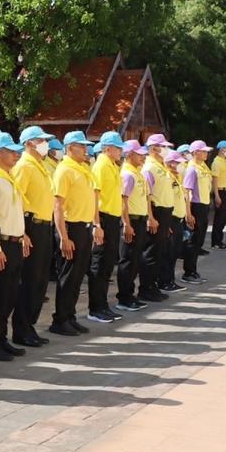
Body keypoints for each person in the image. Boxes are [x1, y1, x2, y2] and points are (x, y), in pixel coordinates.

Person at [0, 131, 29, 361]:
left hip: (15, 241)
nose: (16, 155)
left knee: (9, 295)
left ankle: (1, 339)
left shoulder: (8, 176)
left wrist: (23, 234)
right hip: (2, 244)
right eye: (11, 152)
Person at [50, 131, 98, 337]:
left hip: (84, 227)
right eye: (81, 146)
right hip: (71, 227)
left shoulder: (82, 168)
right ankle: (60, 319)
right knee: (68, 276)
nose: (85, 149)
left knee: (77, 276)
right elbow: (58, 206)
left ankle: (70, 316)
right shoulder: (64, 170)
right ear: (70, 148)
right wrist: (63, 236)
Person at [12, 126, 55, 348]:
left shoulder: (40, 165)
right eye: (41, 140)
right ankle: (22, 329)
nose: (45, 144)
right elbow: (17, 201)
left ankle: (30, 325)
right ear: (29, 143)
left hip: (44, 226)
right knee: (30, 280)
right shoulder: (24, 166)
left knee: (40, 280)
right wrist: (24, 232)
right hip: (32, 226)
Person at [87, 132, 125, 323]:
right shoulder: (101, 166)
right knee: (99, 264)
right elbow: (94, 196)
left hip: (113, 219)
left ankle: (103, 305)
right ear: (108, 149)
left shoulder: (112, 165)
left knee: (108, 264)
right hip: (103, 218)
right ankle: (95, 308)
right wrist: (97, 224)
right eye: (118, 148)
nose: (120, 152)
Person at [114, 140, 154, 313]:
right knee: (128, 260)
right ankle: (124, 298)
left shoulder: (137, 173)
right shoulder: (128, 174)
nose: (143, 157)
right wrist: (126, 224)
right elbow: (123, 201)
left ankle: (130, 295)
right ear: (129, 154)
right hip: (131, 220)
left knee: (135, 259)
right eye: (139, 154)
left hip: (140, 220)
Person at [139, 134, 174, 305]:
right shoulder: (149, 168)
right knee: (151, 253)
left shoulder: (161, 166)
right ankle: (146, 289)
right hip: (156, 212)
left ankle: (153, 286)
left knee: (159, 251)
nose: (166, 150)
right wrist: (150, 217)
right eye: (163, 147)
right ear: (154, 148)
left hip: (165, 212)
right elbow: (148, 196)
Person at [181, 140, 213, 285]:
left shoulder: (203, 167)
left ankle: (193, 270)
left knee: (199, 240)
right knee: (193, 241)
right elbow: (187, 192)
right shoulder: (192, 169)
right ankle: (188, 272)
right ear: (195, 152)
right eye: (203, 151)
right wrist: (188, 213)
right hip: (195, 206)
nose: (206, 153)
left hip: (204, 206)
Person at [163, 150, 190, 292]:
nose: (180, 165)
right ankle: (165, 281)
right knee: (169, 253)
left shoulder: (176, 177)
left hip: (179, 219)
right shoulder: (167, 177)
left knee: (175, 252)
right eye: (178, 163)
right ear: (170, 163)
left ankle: (170, 280)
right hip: (171, 219)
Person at [210, 141, 226, 249]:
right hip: (219, 191)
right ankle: (216, 242)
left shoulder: (225, 162)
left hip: (225, 191)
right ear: (221, 149)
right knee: (219, 218)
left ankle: (220, 240)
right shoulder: (216, 162)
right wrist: (216, 196)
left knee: (223, 218)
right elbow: (215, 180)